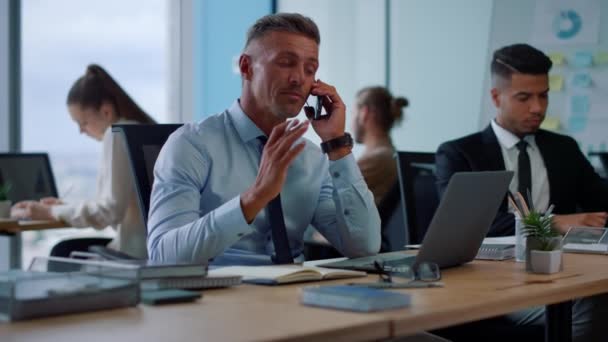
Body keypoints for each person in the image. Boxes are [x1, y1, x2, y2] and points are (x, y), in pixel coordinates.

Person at [147, 13, 381, 266]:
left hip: (293, 295)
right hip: (221, 295)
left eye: (310, 69)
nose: (299, 78)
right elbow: (163, 256)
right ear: (247, 67)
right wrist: (255, 197)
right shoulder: (192, 144)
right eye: (286, 62)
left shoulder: (312, 158)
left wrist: (336, 144)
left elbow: (364, 247)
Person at [435, 43, 608, 341]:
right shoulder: (461, 153)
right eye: (524, 98)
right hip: (491, 282)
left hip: (560, 270)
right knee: (589, 302)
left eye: (544, 96)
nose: (538, 108)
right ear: (496, 97)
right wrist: (553, 222)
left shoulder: (563, 148)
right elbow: (467, 227)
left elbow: (601, 204)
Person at [11, 64, 156, 259]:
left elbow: (108, 212)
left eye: (83, 123)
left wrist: (50, 211)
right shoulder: (142, 131)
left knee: (61, 252)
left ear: (106, 112)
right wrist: (63, 207)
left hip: (135, 254)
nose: (81, 131)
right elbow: (113, 206)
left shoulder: (117, 135)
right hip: (153, 250)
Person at [353, 86, 408, 205]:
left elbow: (326, 196)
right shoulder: (390, 155)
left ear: (364, 113)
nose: (351, 121)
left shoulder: (375, 160)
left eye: (353, 112)